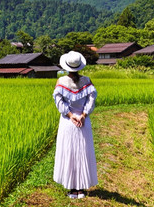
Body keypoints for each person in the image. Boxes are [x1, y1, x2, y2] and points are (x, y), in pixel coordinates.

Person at [53, 51, 98, 199]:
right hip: (83, 122)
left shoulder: (61, 82)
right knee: (82, 152)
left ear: (66, 66)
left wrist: (71, 116)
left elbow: (59, 104)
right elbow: (91, 101)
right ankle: (81, 189)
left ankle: (72, 189)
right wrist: (83, 115)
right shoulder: (87, 81)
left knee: (69, 153)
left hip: (68, 122)